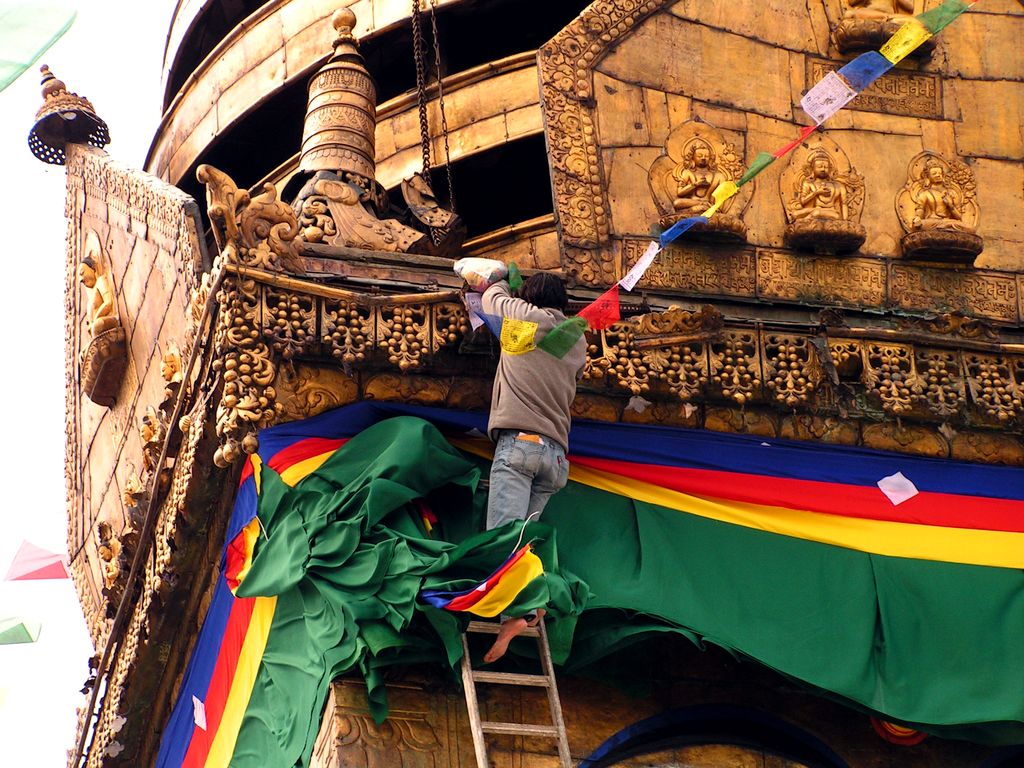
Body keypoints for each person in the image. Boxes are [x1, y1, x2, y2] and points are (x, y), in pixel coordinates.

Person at [478, 272, 586, 662]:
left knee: (502, 539)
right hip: (556, 457)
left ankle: (515, 608)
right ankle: (523, 611)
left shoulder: (528, 321)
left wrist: (495, 279)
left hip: (521, 446)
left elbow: (493, 298)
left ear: (532, 298)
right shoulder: (578, 340)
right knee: (521, 543)